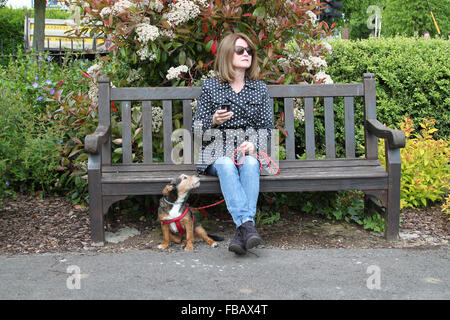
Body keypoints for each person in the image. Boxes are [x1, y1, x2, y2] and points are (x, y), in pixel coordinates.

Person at [192, 32, 274, 255]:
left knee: (250, 163)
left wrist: (254, 145)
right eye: (240, 50)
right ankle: (248, 226)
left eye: (249, 51)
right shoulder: (211, 87)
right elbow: (196, 131)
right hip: (216, 152)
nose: (246, 54)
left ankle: (242, 232)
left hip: (247, 151)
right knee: (227, 163)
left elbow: (267, 129)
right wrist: (213, 121)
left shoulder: (260, 88)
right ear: (228, 55)